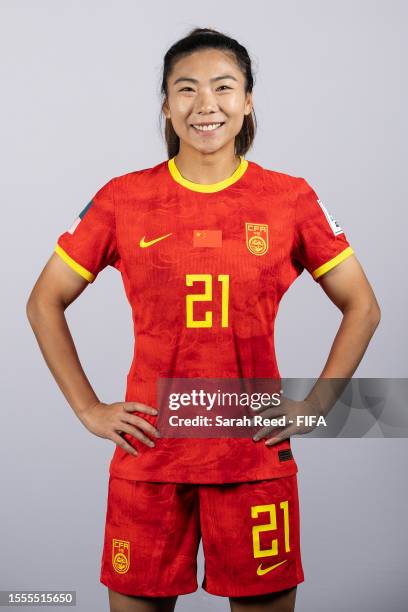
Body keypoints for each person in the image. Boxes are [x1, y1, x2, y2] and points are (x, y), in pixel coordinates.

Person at [26, 27, 381, 612]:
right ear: (166, 105)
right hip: (152, 456)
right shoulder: (123, 198)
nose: (205, 104)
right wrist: (89, 409)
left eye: (224, 87)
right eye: (185, 89)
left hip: (251, 453)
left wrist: (316, 405)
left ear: (247, 101)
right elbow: (44, 302)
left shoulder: (289, 199)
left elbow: (363, 306)